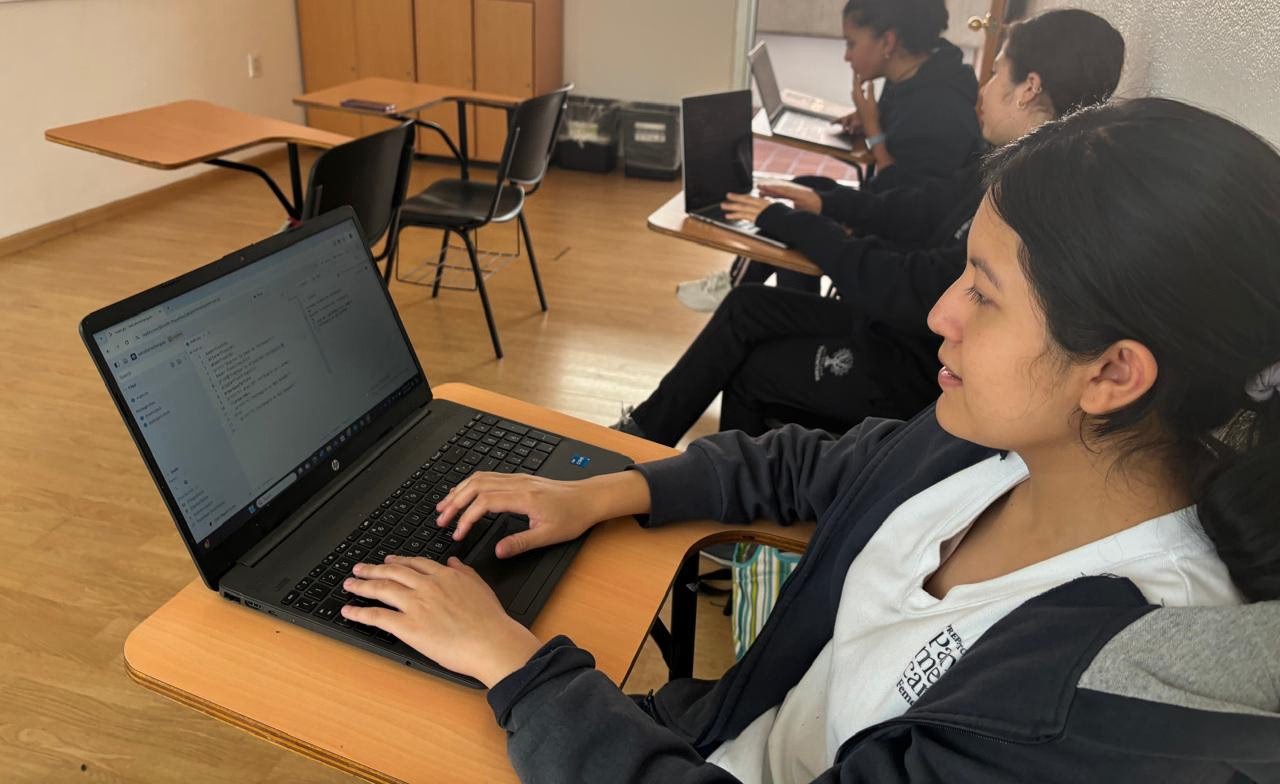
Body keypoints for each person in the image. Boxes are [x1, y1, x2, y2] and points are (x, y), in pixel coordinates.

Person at [341, 97, 1280, 781]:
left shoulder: (1088, 709)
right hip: (719, 731)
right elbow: (816, 465)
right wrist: (605, 490)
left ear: (1114, 372)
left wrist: (519, 667)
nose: (943, 312)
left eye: (984, 295)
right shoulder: (1003, 448)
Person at [621, 9, 1126, 447]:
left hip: (915, 366)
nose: (984, 90)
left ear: (1030, 89)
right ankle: (641, 437)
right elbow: (922, 208)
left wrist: (793, 221)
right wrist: (825, 202)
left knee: (755, 372)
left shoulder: (1028, 201)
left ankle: (738, 536)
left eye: (996, 75)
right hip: (896, 329)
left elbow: (913, 284)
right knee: (745, 307)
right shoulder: (1012, 163)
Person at [678, 0, 985, 308]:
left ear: (888, 42)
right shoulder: (919, 73)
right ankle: (790, 300)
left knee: (797, 210)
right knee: (802, 188)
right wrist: (867, 120)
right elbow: (907, 144)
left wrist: (874, 130)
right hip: (889, 207)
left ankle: (749, 292)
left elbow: (908, 201)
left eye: (852, 43)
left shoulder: (940, 109)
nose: (846, 55)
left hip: (902, 238)